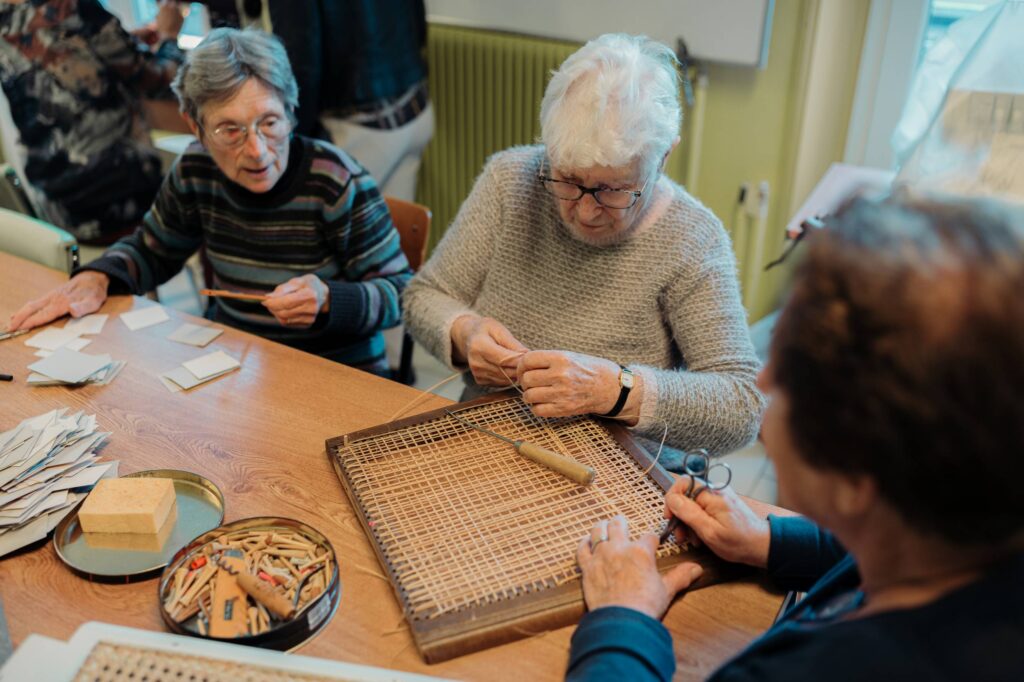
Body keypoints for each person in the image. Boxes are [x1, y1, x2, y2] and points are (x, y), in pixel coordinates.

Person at [569, 195, 1024, 680]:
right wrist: (771, 542)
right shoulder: (963, 547)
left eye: (784, 373)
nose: (761, 382)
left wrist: (624, 621)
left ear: (853, 478)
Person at [403, 34, 764, 465]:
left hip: (612, 476)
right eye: (568, 180)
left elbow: (741, 406)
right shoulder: (510, 180)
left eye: (613, 189)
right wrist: (463, 332)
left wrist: (616, 390)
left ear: (664, 157)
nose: (586, 212)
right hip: (489, 442)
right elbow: (423, 296)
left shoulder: (693, 239)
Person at [7, 28, 412, 376]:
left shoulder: (336, 179)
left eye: (269, 123)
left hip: (337, 372)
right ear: (195, 127)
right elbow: (152, 250)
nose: (256, 150)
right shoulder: (196, 170)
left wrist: (328, 300)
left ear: (290, 112)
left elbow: (401, 294)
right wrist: (98, 278)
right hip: (240, 365)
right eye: (229, 130)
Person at [0, 0, 185, 244]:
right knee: (206, 187)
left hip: (56, 206)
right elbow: (160, 80)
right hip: (116, 202)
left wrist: (123, 40)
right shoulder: (74, 8)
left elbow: (58, 46)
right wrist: (169, 35)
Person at [234, 0, 433, 202]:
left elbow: (300, 65)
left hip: (361, 129)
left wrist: (289, 142)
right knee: (392, 229)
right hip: (414, 105)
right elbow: (419, 24)